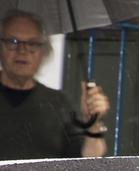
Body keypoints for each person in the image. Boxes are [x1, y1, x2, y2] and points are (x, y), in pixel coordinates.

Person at [0, 9, 110, 160]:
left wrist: (93, 122)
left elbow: (88, 161)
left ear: (43, 51)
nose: (22, 50)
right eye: (13, 42)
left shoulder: (58, 103)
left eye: (32, 43)